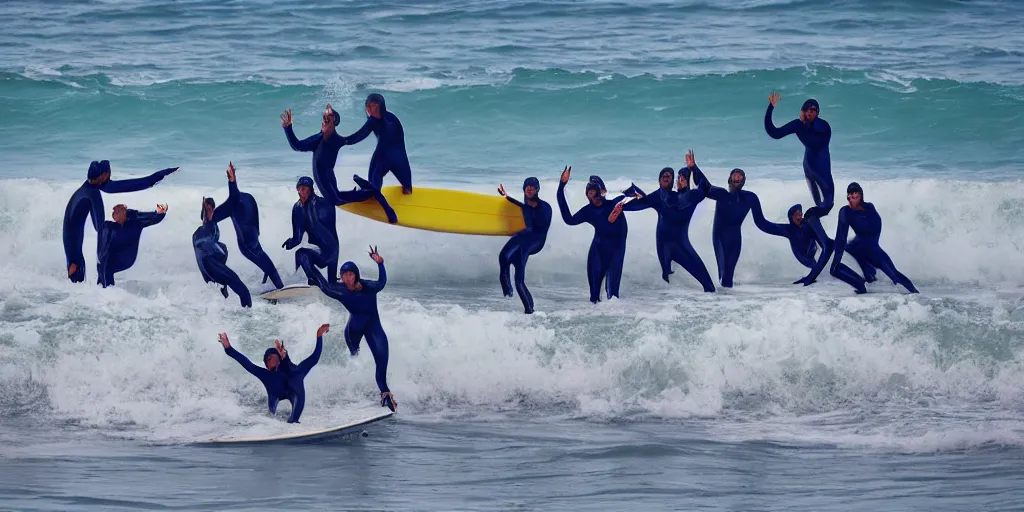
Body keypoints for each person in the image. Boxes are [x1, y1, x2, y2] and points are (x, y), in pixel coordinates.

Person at [301, 246, 397, 412]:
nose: (347, 278)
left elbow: (382, 282)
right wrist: (306, 263)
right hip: (353, 330)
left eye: (350, 274)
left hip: (374, 328)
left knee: (381, 363)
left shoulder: (368, 287)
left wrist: (380, 263)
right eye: (344, 275)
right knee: (354, 358)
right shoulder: (339, 291)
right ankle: (354, 391)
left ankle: (385, 393)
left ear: (356, 275)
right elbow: (323, 284)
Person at [62, 160, 178, 283]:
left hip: (71, 237)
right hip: (72, 241)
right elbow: (100, 227)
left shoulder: (91, 185)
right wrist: (126, 218)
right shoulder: (92, 193)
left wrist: (156, 178)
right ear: (104, 175)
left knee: (81, 266)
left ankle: (81, 294)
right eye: (109, 172)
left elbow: (129, 185)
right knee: (77, 266)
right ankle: (84, 293)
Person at [281, 104, 398, 223]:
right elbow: (297, 146)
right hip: (325, 184)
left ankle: (387, 208)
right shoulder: (317, 139)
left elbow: (357, 137)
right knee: (336, 199)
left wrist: (372, 120)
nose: (324, 121)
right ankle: (363, 185)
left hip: (328, 180)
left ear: (334, 123)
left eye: (328, 118)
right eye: (324, 118)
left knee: (338, 199)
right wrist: (288, 128)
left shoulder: (337, 140)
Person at [621, 150, 716, 292]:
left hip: (682, 247)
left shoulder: (692, 197)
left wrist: (694, 168)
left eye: (683, 178)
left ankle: (709, 307)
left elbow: (706, 188)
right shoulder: (660, 196)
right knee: (665, 287)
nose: (679, 180)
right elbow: (636, 205)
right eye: (677, 178)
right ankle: (666, 312)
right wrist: (614, 207)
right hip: (663, 246)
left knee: (709, 287)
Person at [218, 323, 330, 424]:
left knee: (293, 420)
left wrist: (319, 336)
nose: (271, 361)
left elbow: (315, 357)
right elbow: (246, 362)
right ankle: (274, 423)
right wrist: (228, 348)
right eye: (269, 359)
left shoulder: (297, 371)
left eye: (274, 357)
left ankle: (293, 421)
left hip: (296, 392)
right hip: (275, 394)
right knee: (271, 417)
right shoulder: (265, 375)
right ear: (266, 364)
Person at [763, 91, 834, 248]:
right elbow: (774, 133)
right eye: (807, 110)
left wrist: (804, 121)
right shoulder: (798, 125)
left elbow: (816, 140)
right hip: (809, 169)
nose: (810, 112)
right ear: (803, 111)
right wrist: (771, 107)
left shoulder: (824, 126)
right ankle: (812, 237)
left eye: (814, 110)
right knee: (818, 206)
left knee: (827, 205)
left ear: (817, 113)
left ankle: (813, 232)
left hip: (822, 172)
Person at [828, 182, 919, 294]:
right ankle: (862, 284)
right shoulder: (846, 212)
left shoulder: (869, 208)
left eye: (854, 196)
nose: (850, 200)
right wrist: (836, 261)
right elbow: (841, 237)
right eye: (849, 197)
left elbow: (875, 229)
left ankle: (916, 294)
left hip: (873, 250)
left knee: (895, 275)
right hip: (856, 247)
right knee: (834, 261)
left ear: (860, 196)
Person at [556, 167, 630, 303]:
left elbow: (632, 198)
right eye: (589, 194)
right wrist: (561, 186)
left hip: (616, 251)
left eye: (595, 193)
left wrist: (628, 194)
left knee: (612, 296)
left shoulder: (613, 205)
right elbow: (569, 220)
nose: (592, 197)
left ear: (601, 193)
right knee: (594, 297)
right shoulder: (588, 211)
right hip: (598, 250)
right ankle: (593, 320)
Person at [703, 167, 779, 288]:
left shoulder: (750, 198)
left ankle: (727, 301)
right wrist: (693, 168)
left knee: (728, 277)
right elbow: (706, 188)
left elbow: (761, 223)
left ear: (744, 181)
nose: (738, 178)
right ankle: (720, 302)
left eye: (740, 176)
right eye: (735, 176)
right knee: (724, 274)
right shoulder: (722, 195)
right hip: (720, 238)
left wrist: (786, 231)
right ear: (729, 179)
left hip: (735, 240)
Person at [192, 163, 250, 307]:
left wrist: (232, 181)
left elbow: (233, 200)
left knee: (225, 289)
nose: (211, 211)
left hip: (208, 271)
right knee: (243, 291)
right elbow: (203, 245)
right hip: (210, 265)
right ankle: (250, 319)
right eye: (208, 209)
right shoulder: (206, 229)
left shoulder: (201, 230)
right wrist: (222, 249)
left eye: (212, 208)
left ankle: (224, 298)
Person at [496, 177, 552, 314]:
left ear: (537, 190)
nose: (530, 189)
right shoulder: (525, 204)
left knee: (519, 275)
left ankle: (529, 310)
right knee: (503, 256)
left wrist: (529, 218)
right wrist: (505, 197)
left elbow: (542, 227)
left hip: (536, 240)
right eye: (527, 187)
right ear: (524, 189)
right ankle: (507, 289)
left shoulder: (544, 207)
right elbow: (520, 206)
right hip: (523, 236)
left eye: (533, 188)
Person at [225, 165, 284, 290]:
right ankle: (280, 289)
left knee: (268, 266)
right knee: (270, 268)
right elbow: (213, 217)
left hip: (254, 241)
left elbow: (255, 222)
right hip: (248, 247)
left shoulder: (248, 198)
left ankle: (266, 287)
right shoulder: (230, 205)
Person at [755, 203, 836, 285]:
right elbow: (765, 226)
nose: (799, 217)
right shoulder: (789, 229)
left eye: (800, 214)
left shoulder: (808, 225)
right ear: (791, 217)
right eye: (796, 215)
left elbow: (824, 243)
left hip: (812, 257)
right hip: (803, 259)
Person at [283, 176, 341, 284]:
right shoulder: (298, 208)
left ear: (311, 189)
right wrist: (290, 243)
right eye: (299, 188)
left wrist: (310, 210)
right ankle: (305, 281)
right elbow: (298, 238)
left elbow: (323, 229)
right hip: (317, 250)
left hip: (331, 251)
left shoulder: (323, 204)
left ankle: (322, 282)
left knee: (332, 281)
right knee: (300, 254)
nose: (301, 191)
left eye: (304, 188)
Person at [96, 203, 167, 287]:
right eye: (114, 211)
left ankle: (108, 291)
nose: (113, 212)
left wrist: (160, 212)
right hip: (110, 257)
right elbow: (102, 247)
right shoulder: (109, 226)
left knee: (106, 267)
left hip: (126, 257)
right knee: (103, 266)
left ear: (124, 212)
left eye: (117, 210)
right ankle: (102, 290)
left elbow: (154, 219)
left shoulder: (134, 223)